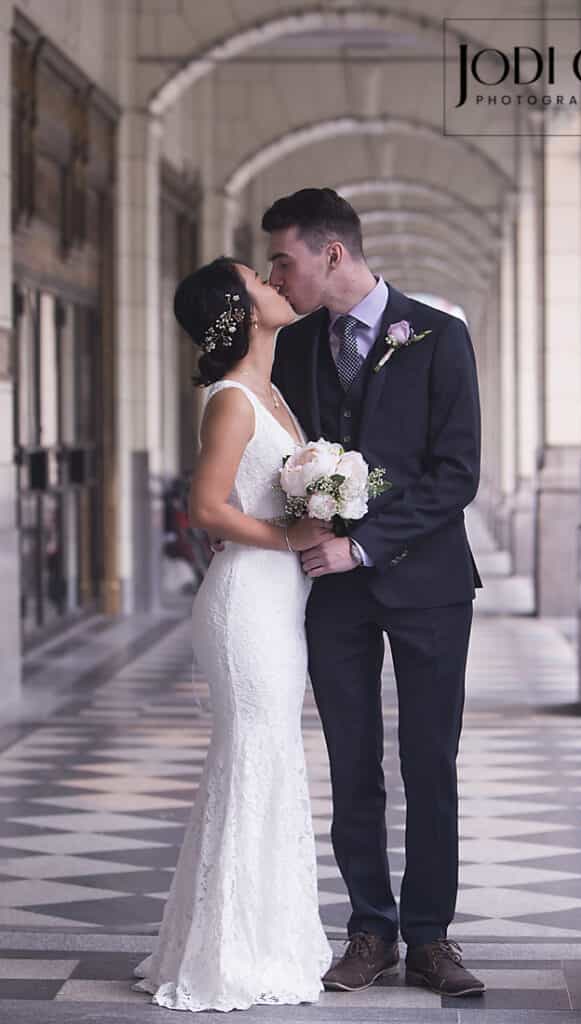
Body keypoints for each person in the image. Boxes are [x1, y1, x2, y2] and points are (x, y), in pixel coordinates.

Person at [262, 188, 485, 997]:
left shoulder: (438, 336)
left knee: (430, 760)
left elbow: (456, 474)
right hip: (334, 596)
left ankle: (430, 937)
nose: (276, 275)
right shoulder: (291, 350)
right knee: (351, 762)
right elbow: (279, 464)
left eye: (284, 259)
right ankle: (369, 930)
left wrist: (363, 544)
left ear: (331, 254)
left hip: (426, 586)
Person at [132, 257, 333, 1012]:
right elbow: (206, 508)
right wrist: (291, 539)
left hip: (280, 600)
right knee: (254, 754)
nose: (276, 283)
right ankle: (230, 952)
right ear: (240, 309)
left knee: (271, 757)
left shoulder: (271, 391)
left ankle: (258, 936)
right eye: (259, 278)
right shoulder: (231, 401)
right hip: (246, 604)